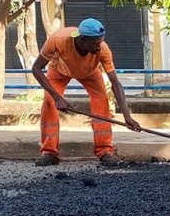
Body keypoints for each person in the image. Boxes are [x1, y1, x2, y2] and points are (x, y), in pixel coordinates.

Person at [32, 18, 140, 167]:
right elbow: (36, 69)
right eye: (95, 43)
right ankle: (49, 152)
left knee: (102, 102)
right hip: (59, 70)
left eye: (100, 42)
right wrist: (57, 98)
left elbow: (115, 83)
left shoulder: (103, 49)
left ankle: (104, 151)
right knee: (50, 103)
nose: (98, 47)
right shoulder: (58, 39)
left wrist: (127, 116)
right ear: (82, 39)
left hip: (90, 71)